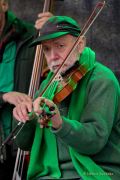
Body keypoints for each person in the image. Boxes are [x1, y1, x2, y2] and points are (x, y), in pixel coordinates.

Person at [13, 15, 120, 180]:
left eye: (60, 46)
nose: (53, 56)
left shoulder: (102, 79)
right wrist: (22, 117)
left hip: (94, 171)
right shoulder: (47, 85)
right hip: (49, 174)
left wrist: (59, 123)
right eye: (47, 49)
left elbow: (94, 141)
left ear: (80, 44)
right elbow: (24, 144)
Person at [0, 0, 52, 179]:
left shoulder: (32, 35)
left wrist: (54, 33)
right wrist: (4, 96)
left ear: (4, 4)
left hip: (26, 141)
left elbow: (63, 66)